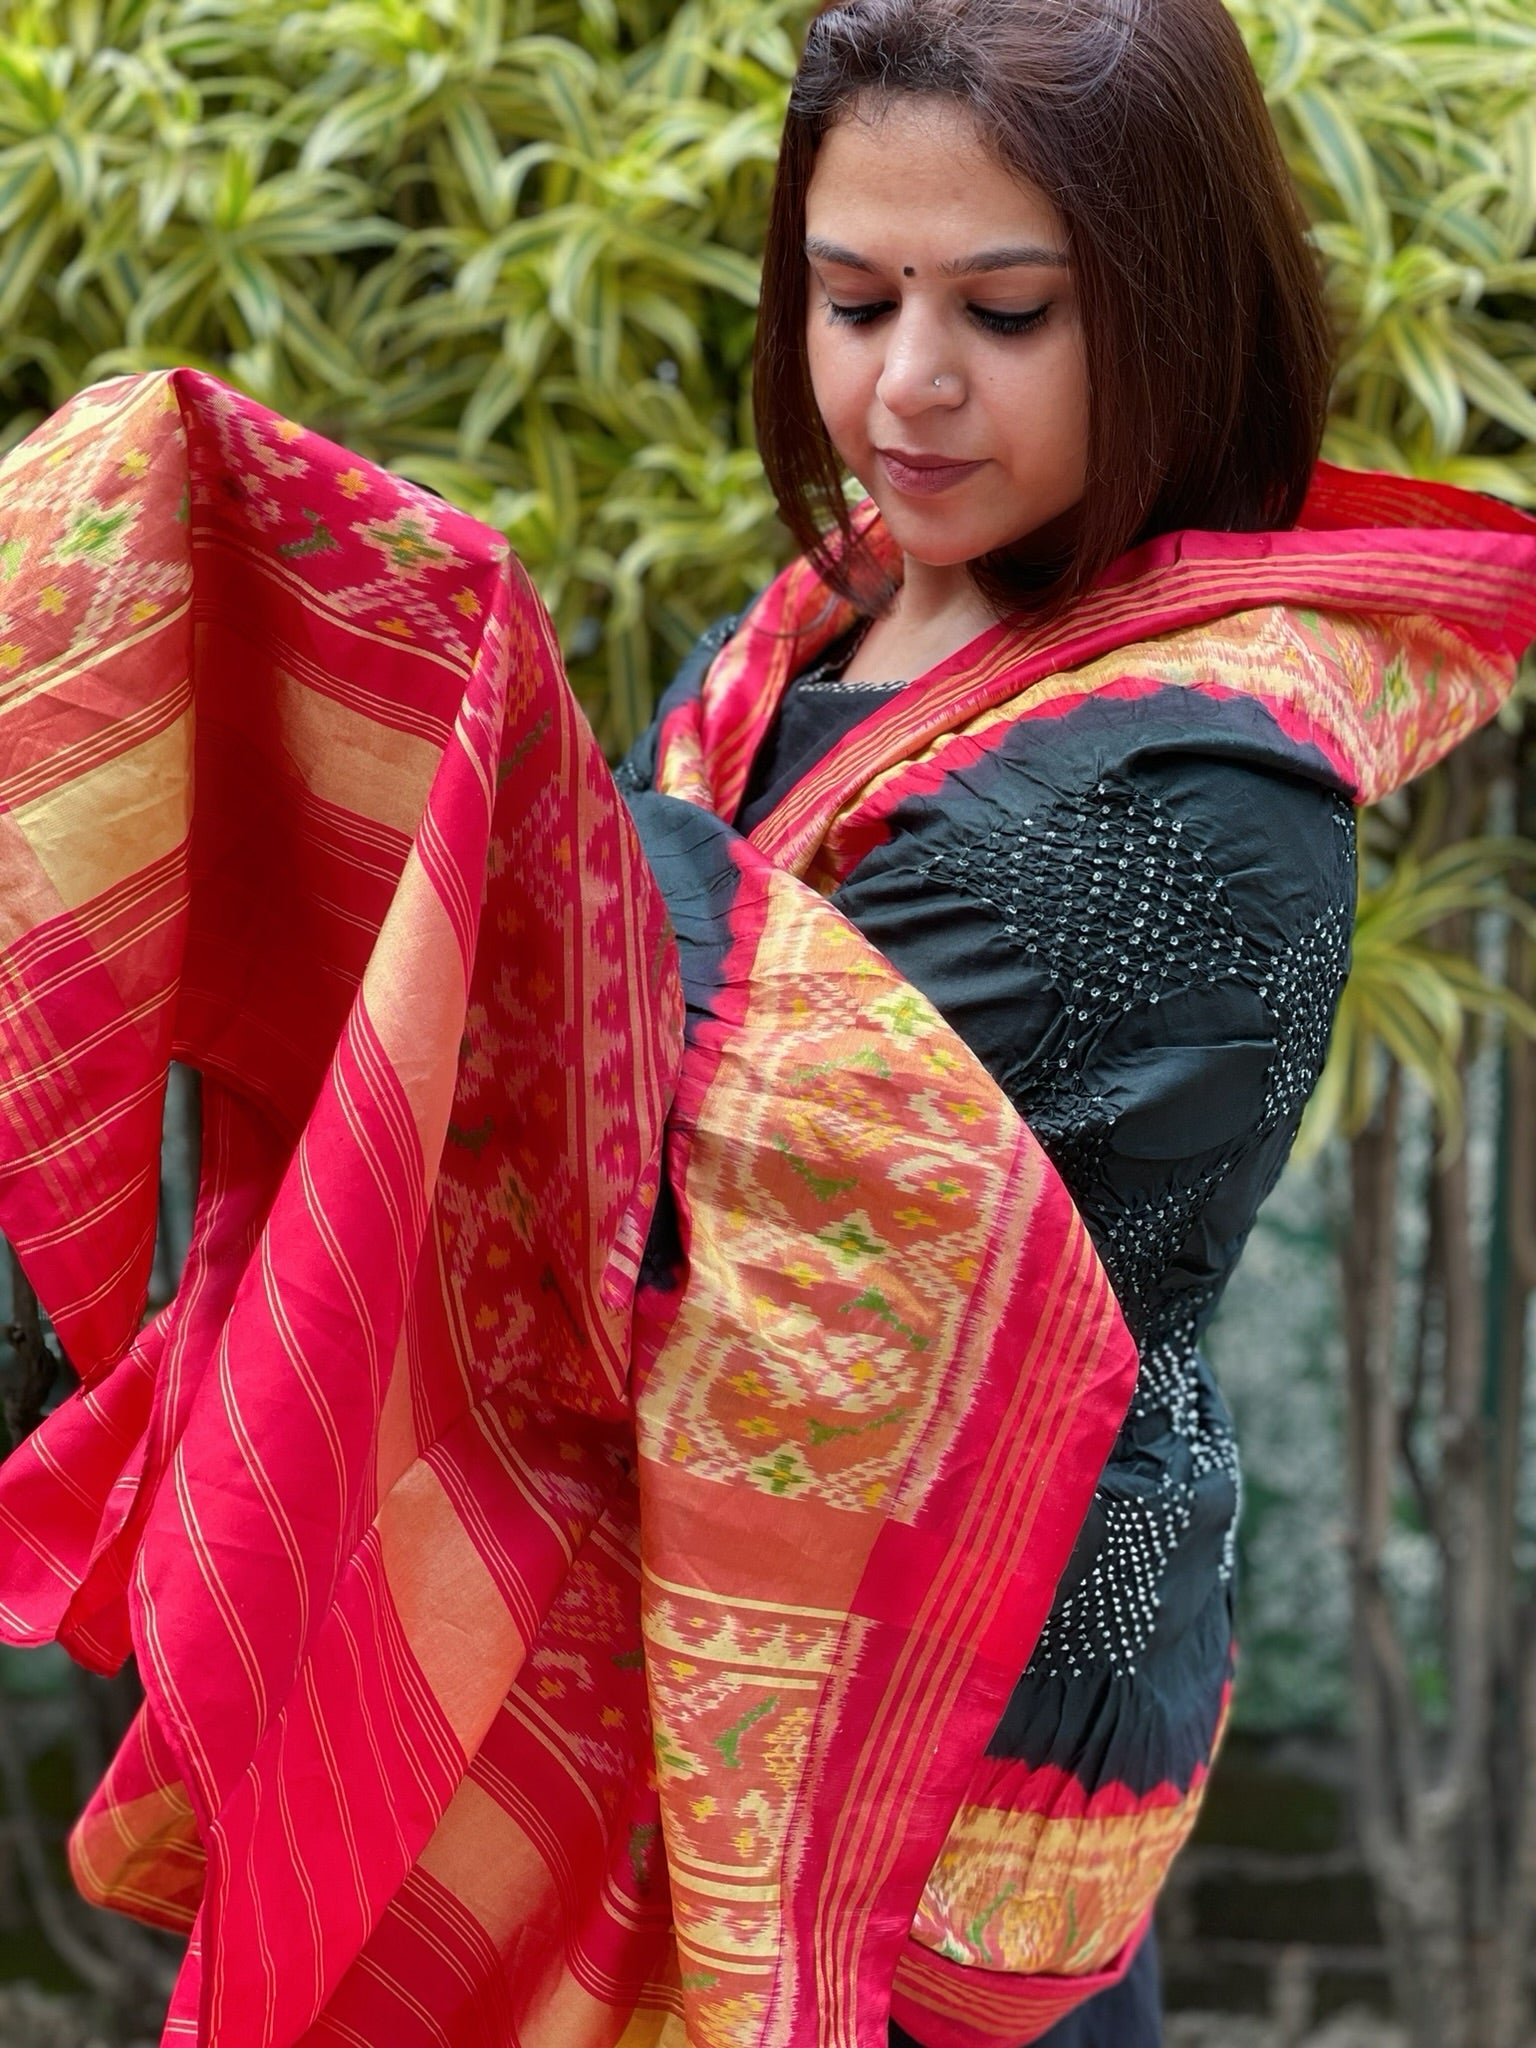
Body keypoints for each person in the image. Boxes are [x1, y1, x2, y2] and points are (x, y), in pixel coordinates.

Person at [0, 2, 1533, 2046]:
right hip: (681, 1678)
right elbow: (600, 1018)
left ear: (1170, 310)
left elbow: (694, 1182)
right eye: (850, 293)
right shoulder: (824, 617)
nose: (906, 384)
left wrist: (390, 693)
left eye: (1005, 310)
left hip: (939, 1773)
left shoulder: (1198, 793)